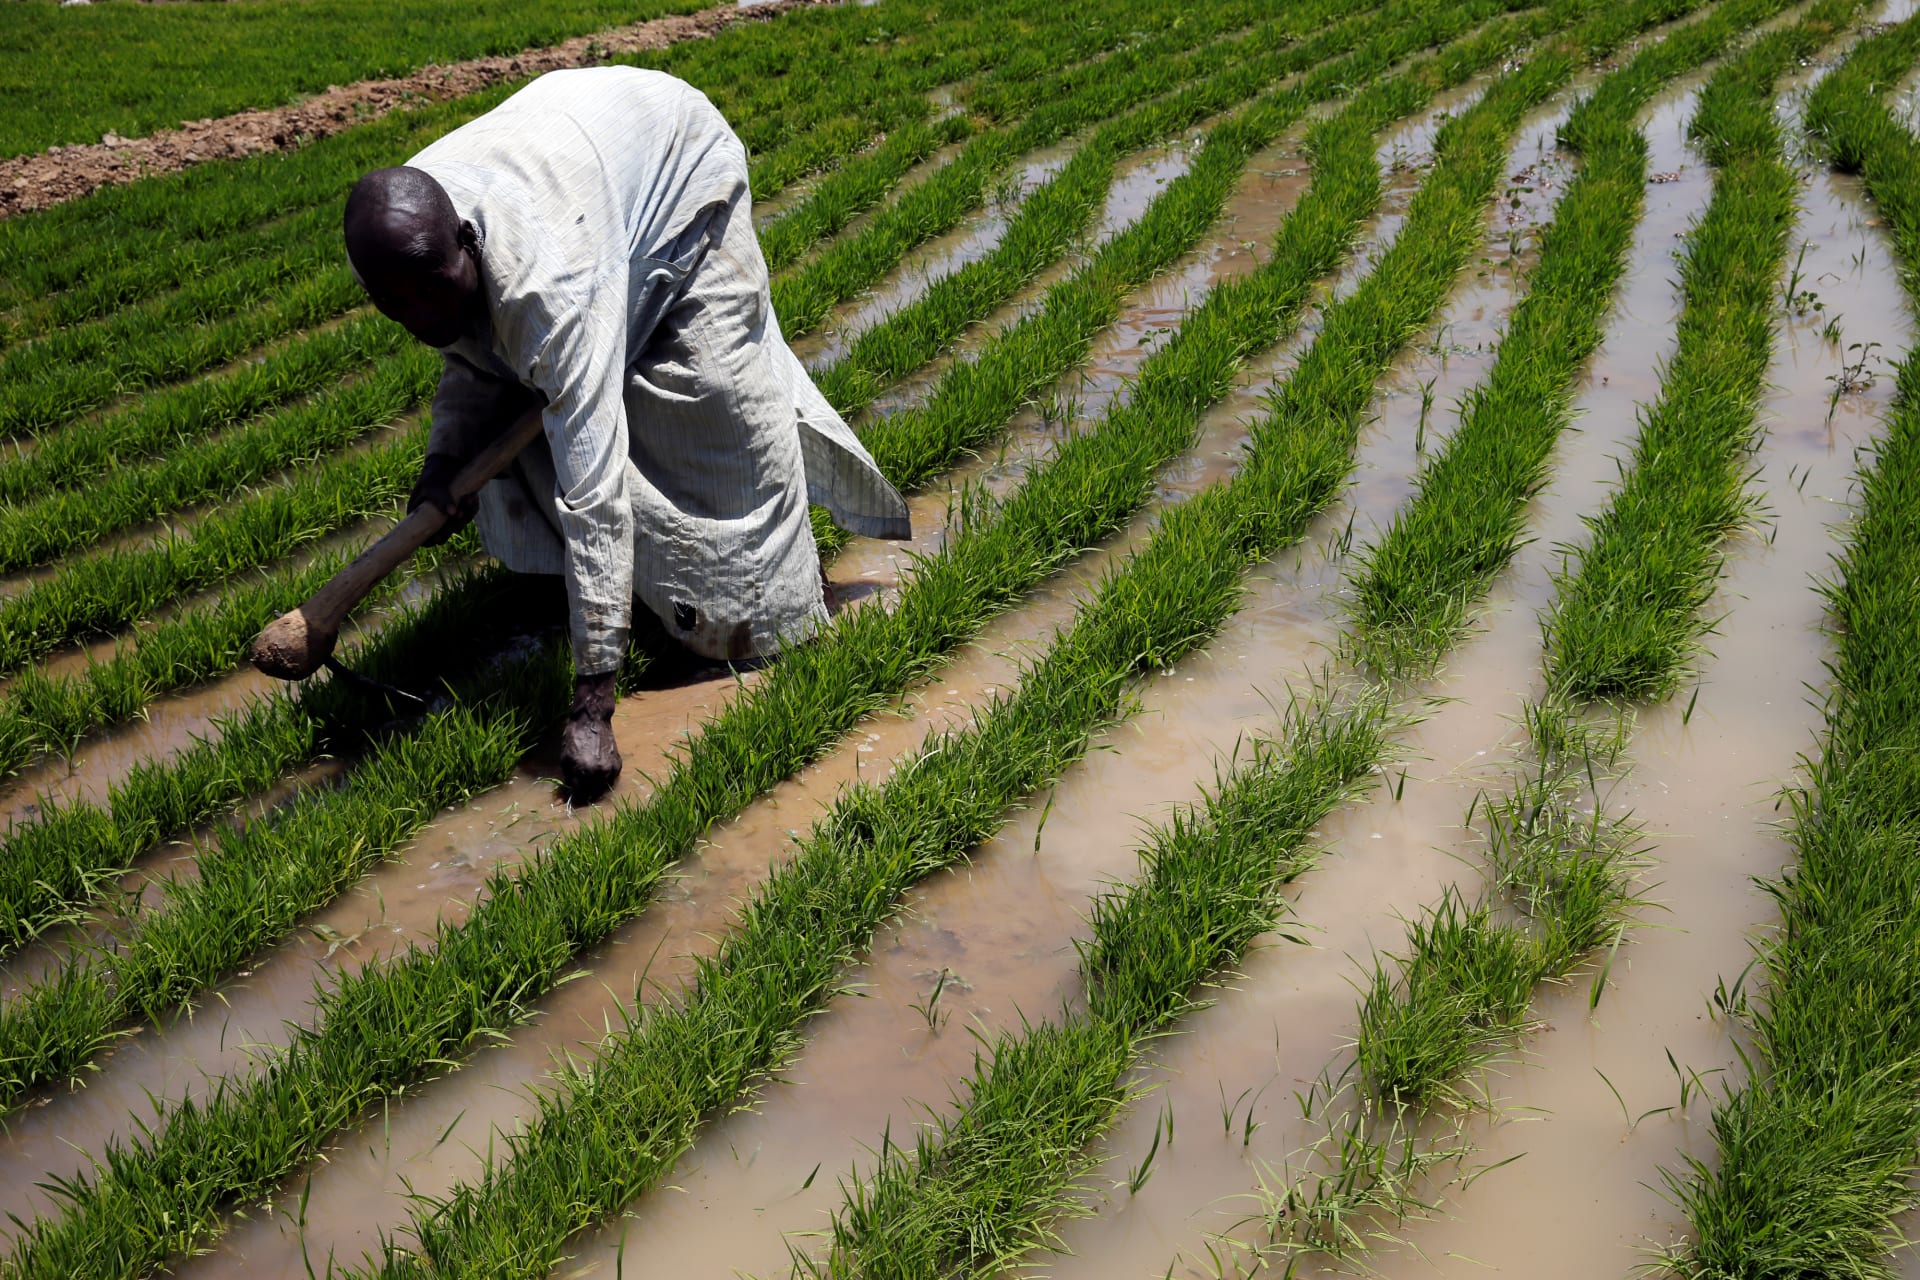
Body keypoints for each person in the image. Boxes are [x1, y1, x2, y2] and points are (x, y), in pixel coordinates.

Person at [342, 66, 910, 802]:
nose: (420, 315)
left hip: (676, 166)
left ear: (468, 242)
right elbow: (474, 365)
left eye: (435, 289)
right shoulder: (401, 255)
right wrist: (443, 467)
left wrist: (591, 703)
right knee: (528, 399)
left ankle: (774, 606)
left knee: (710, 399)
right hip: (584, 173)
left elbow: (595, 488)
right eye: (400, 304)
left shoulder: (546, 288)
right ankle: (627, 603)